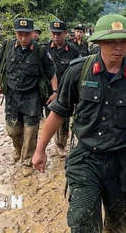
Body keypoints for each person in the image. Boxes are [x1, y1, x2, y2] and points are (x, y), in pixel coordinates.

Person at [32, 13, 126, 233]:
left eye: (123, 41)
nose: (118, 47)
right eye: (111, 41)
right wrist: (40, 149)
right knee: (82, 220)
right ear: (98, 42)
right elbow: (59, 112)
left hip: (121, 161)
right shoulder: (79, 71)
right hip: (87, 158)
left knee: (119, 220)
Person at [0, 18, 58, 177]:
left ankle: (27, 160)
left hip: (32, 96)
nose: (24, 37)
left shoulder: (40, 50)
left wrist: (55, 92)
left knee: (31, 130)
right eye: (20, 34)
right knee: (12, 129)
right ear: (15, 33)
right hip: (12, 95)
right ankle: (17, 148)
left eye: (27, 34)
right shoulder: (7, 47)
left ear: (33, 33)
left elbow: (51, 73)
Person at [43, 20, 80, 157]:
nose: (56, 37)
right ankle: (50, 141)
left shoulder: (73, 51)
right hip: (48, 91)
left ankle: (60, 144)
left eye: (59, 34)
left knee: (64, 120)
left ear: (65, 33)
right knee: (49, 117)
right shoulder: (44, 48)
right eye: (53, 34)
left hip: (66, 92)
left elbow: (79, 72)